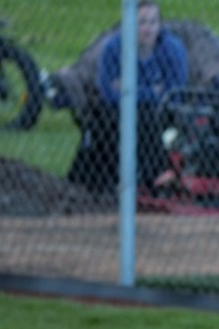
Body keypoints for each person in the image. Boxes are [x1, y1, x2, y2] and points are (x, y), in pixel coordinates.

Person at [78, 1, 188, 194]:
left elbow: (174, 96)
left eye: (153, 22)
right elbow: (109, 95)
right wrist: (151, 91)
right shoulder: (112, 49)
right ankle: (112, 184)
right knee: (109, 120)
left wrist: (128, 90)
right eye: (142, 22)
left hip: (159, 116)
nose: (148, 29)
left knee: (146, 115)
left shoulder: (173, 49)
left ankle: (152, 178)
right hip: (117, 114)